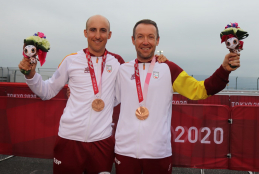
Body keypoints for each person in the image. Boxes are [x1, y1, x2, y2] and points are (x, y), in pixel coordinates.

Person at [18, 15, 166, 174]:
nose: (97, 35)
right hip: (69, 139)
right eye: (93, 30)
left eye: (103, 31)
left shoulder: (117, 62)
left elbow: (131, 86)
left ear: (109, 35)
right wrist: (31, 75)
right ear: (85, 33)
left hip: (102, 142)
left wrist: (158, 62)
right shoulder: (71, 60)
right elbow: (47, 92)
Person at [114, 19, 240, 174]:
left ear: (157, 40)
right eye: (140, 36)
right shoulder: (122, 70)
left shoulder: (169, 69)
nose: (145, 42)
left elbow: (199, 90)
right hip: (125, 151)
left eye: (151, 37)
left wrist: (224, 70)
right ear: (133, 40)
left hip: (158, 152)